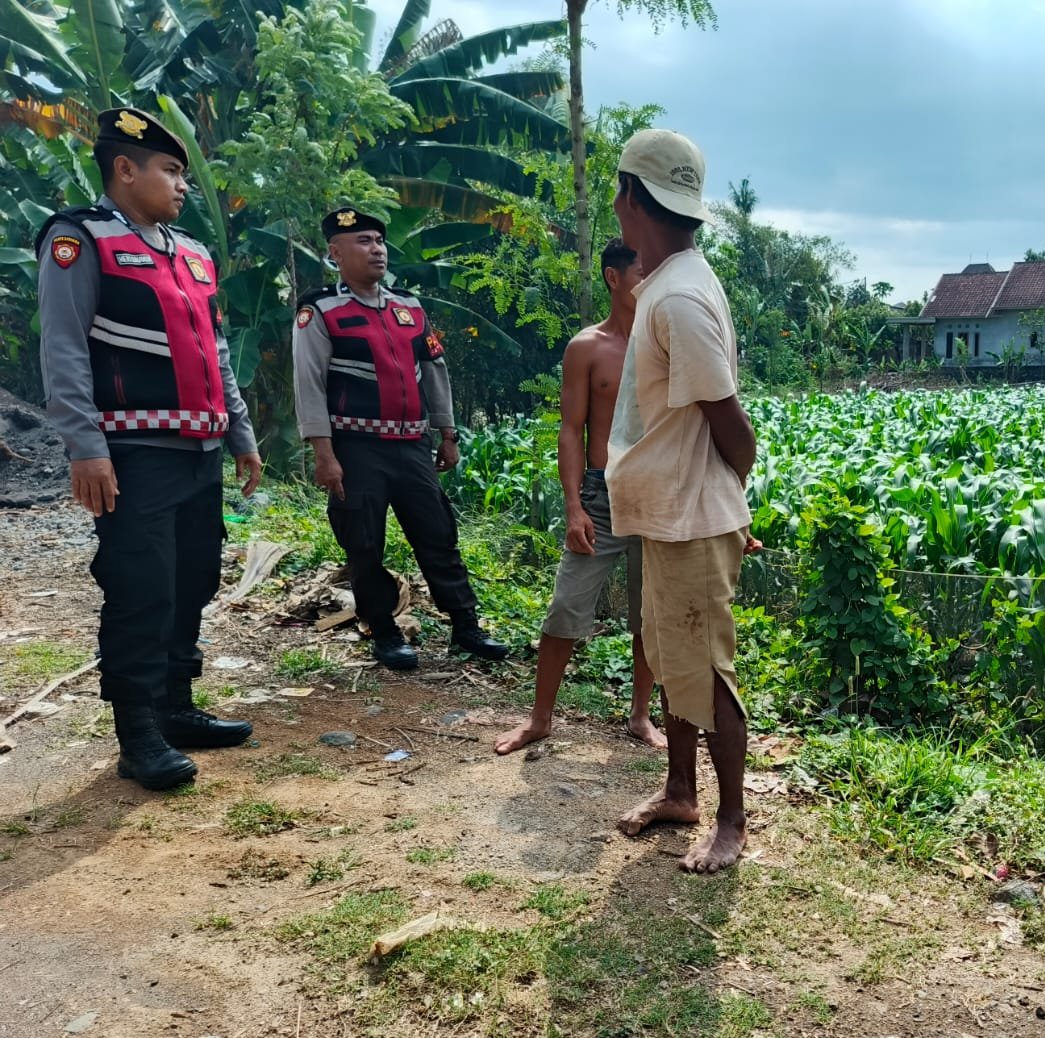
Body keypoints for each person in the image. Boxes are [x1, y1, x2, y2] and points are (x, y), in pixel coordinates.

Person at [37, 107, 262, 792]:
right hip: (133, 453)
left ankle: (176, 705)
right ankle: (137, 731)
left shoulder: (192, 253)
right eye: (169, 170)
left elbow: (217, 353)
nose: (181, 184)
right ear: (125, 170)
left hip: (199, 452)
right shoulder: (81, 240)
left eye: (183, 174)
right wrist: (86, 448)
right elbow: (65, 347)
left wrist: (241, 433)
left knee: (192, 578)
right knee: (141, 588)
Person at [604, 129, 758, 875]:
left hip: (693, 518)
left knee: (706, 668)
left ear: (632, 196)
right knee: (671, 657)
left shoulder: (683, 299)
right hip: (670, 515)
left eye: (616, 189)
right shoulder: (666, 285)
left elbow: (733, 425)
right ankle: (679, 791)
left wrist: (729, 500)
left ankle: (729, 820)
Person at [292, 207, 507, 670]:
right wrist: (323, 453)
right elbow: (307, 384)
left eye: (379, 241)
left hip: (411, 446)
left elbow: (434, 370)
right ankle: (385, 633)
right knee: (364, 542)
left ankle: (466, 626)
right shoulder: (321, 310)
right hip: (355, 447)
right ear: (335, 252)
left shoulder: (410, 307)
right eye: (364, 241)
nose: (377, 250)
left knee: (438, 534)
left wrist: (447, 432)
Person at [494, 239, 667, 755]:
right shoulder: (587, 347)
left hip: (657, 496)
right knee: (566, 608)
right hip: (600, 496)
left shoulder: (666, 343)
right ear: (614, 278)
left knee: (650, 615)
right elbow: (571, 430)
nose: (650, 281)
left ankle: (640, 714)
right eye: (641, 271)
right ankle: (539, 719)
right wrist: (572, 505)